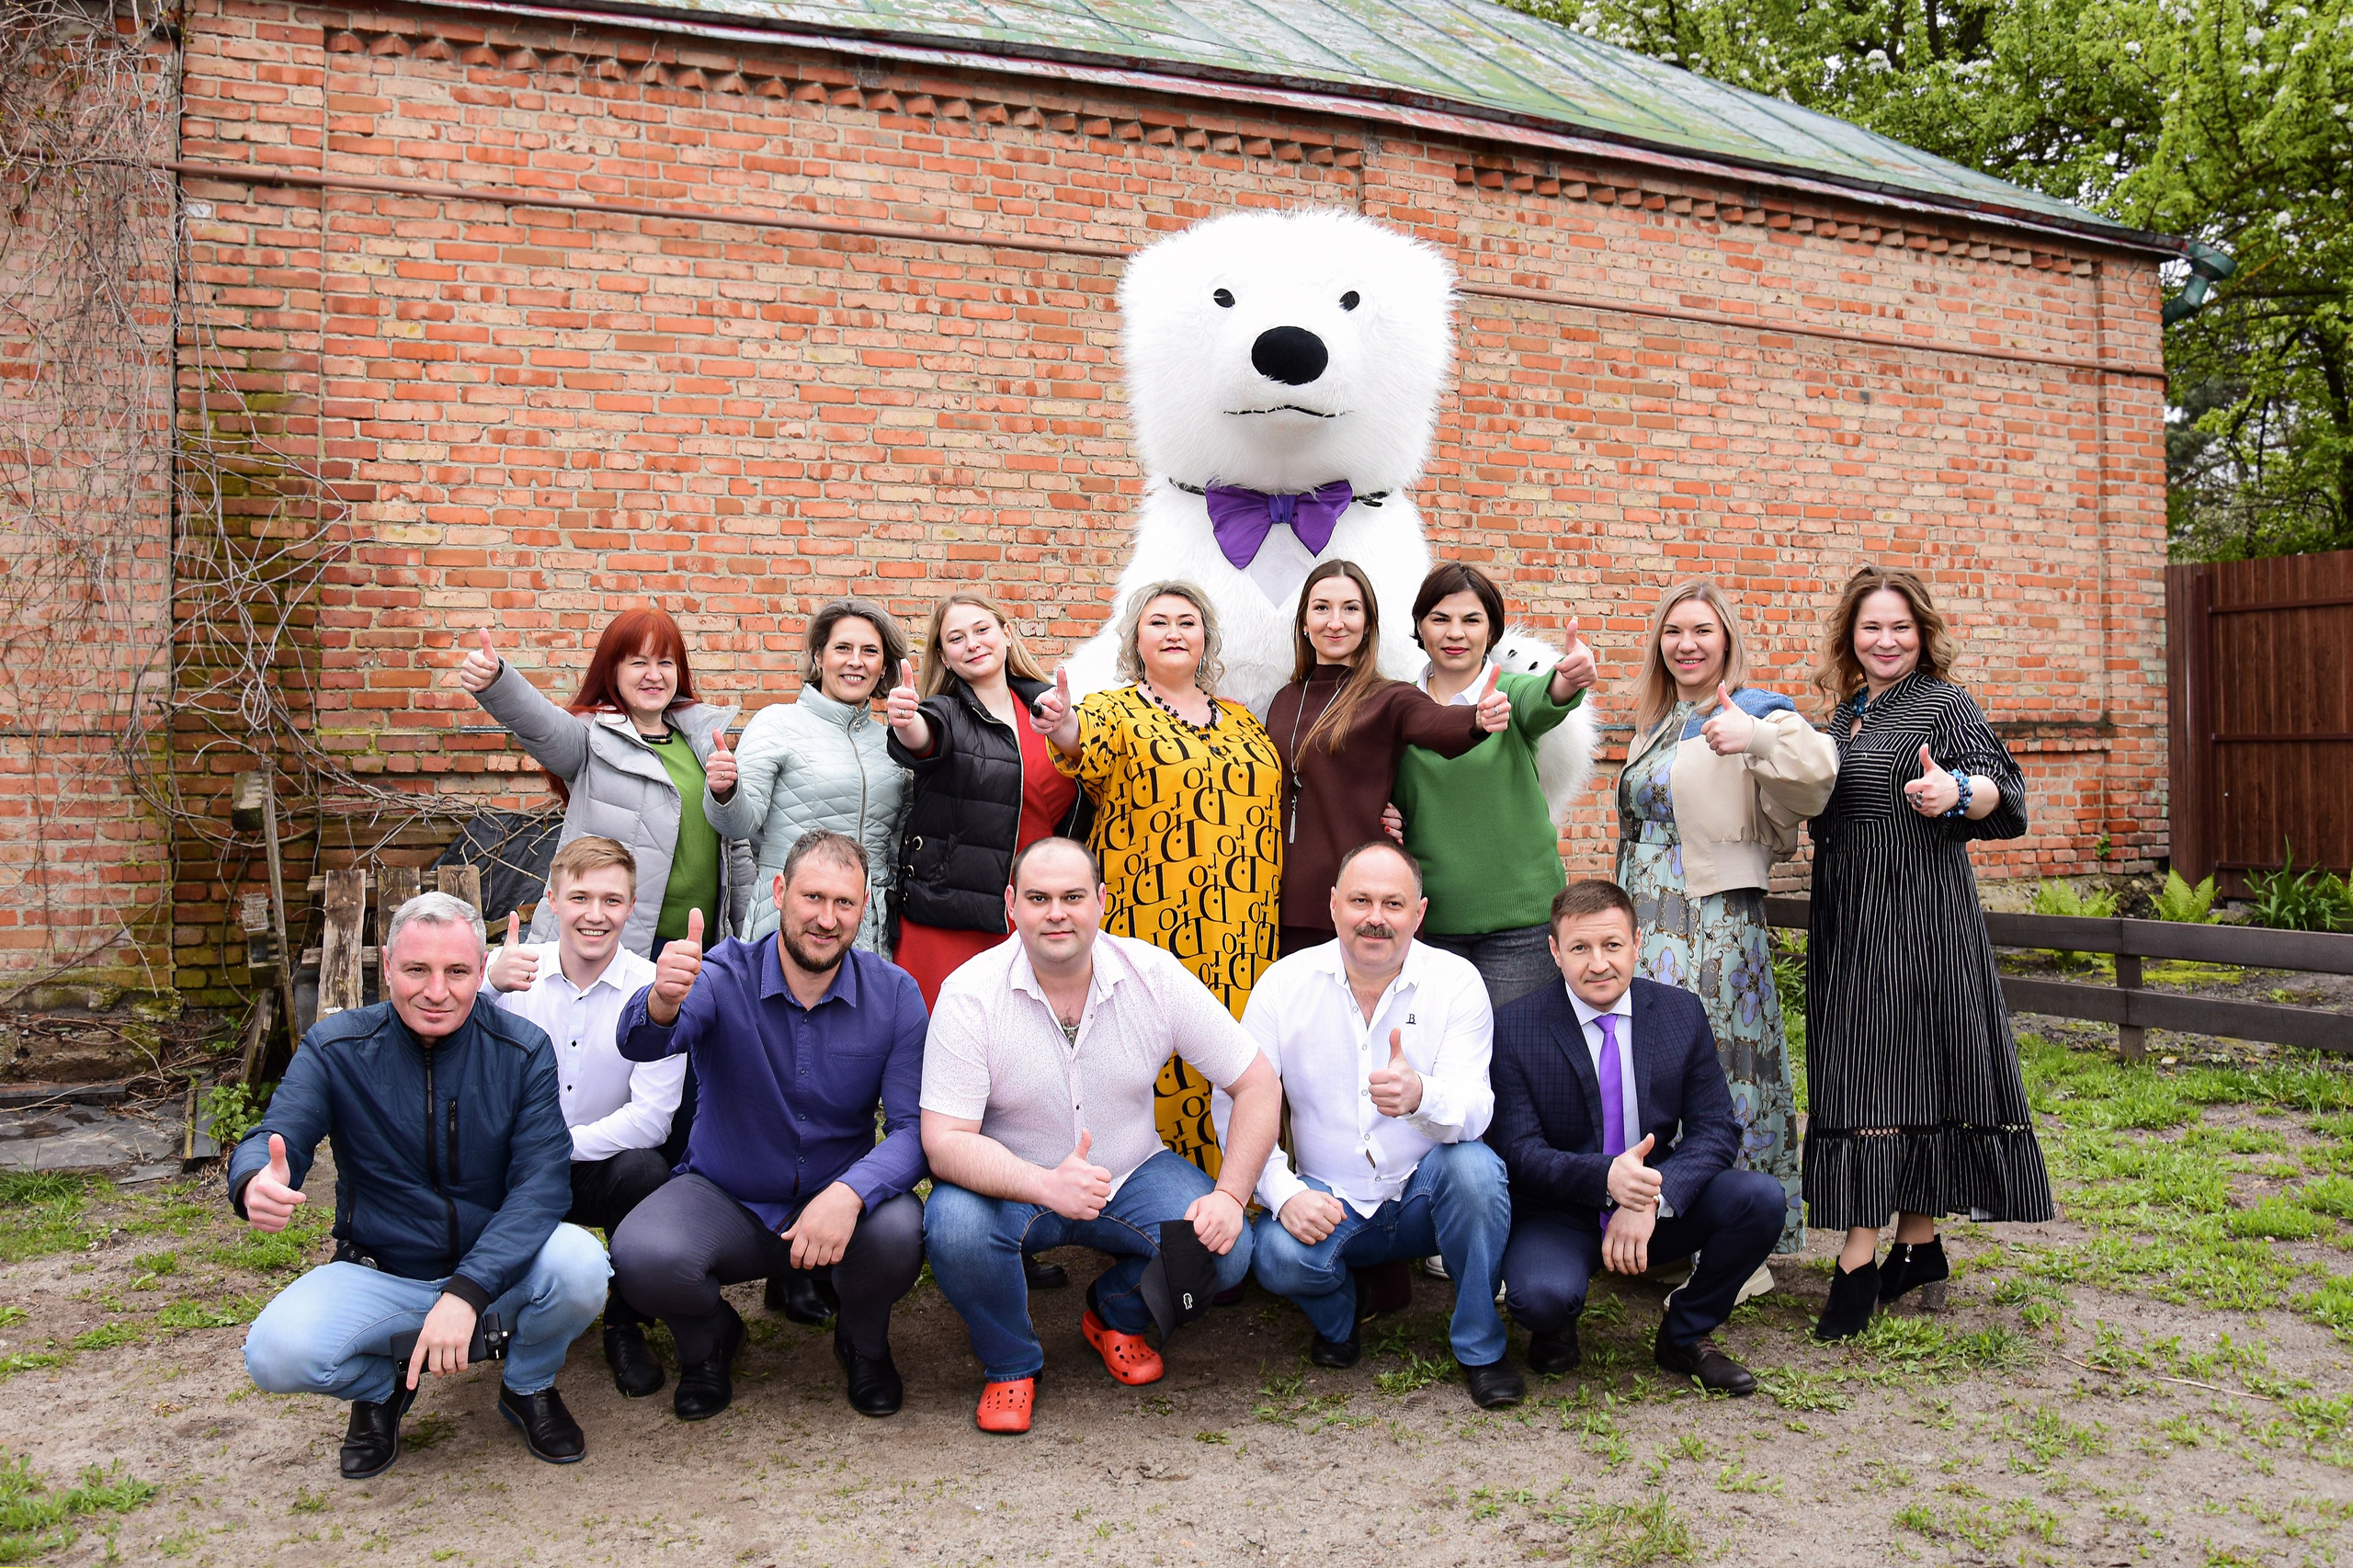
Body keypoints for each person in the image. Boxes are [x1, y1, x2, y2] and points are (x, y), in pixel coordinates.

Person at [233, 892, 606, 1479]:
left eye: (457, 971)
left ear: (481, 970)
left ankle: (527, 1384)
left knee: (581, 1264)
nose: (437, 991)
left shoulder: (523, 1050)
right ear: (387, 964)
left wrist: (467, 1292)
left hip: (494, 1272)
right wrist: (256, 1176)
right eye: (417, 970)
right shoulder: (336, 1049)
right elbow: (278, 1133)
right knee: (275, 1354)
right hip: (381, 1271)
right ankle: (383, 1389)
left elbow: (542, 1185)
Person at [919, 836, 1282, 1435]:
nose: (1056, 912)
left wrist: (1230, 1194)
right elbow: (945, 1140)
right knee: (954, 1226)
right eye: (1038, 897)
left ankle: (1116, 1311)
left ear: (1102, 902)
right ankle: (1011, 1362)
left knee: (1229, 1246)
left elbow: (1257, 1082)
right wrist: (1043, 1182)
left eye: (1072, 896)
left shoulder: (1153, 976)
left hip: (1133, 1169)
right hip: (1015, 1180)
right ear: (1011, 904)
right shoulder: (969, 993)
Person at [1803, 566, 2049, 1341]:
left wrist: (1959, 792)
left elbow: (2006, 798)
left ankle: (1857, 1258)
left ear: (1923, 634)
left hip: (1917, 918)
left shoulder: (1944, 704)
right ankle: (1918, 1246)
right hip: (1849, 918)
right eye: (1872, 628)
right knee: (1901, 1070)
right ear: (1850, 636)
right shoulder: (1845, 717)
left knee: (1883, 1070)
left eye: (1901, 628)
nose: (1886, 641)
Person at [609, 832, 928, 1419]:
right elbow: (642, 1040)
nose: (826, 919)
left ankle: (863, 1343)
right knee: (642, 1255)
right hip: (727, 1196)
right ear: (779, 892)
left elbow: (913, 1130)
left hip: (838, 1206)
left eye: (844, 904)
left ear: (865, 909)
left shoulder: (895, 994)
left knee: (900, 1233)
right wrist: (660, 1000)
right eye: (812, 897)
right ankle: (709, 1344)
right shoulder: (721, 974)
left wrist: (851, 1193)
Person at [1233, 841, 1523, 1409]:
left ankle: (1481, 1347)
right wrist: (1283, 1191)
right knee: (1274, 1255)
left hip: (1424, 1193)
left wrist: (1422, 1096)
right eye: (1361, 900)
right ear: (1334, 904)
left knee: (1476, 1173)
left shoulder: (1457, 981)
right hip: (1330, 1196)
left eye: (1393, 904)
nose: (1375, 917)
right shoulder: (1282, 984)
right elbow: (1240, 1105)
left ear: (1418, 914)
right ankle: (1341, 1319)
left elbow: (1476, 1107)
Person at [1488, 881, 1785, 1394]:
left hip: (1655, 1203)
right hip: (1561, 1207)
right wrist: (1609, 1180)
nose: (1598, 963)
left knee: (1759, 1199)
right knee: (1538, 1298)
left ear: (1637, 943)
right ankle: (1556, 1322)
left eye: (1612, 945)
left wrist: (1650, 1196)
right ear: (1555, 951)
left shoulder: (1679, 1012)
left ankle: (1685, 1335)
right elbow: (1518, 1151)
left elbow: (1716, 1128)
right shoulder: (1514, 1026)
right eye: (1580, 948)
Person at [1616, 578, 1836, 1271]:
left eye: (1702, 631)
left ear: (1727, 641)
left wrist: (1759, 737)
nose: (1686, 644)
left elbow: (1821, 776)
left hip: (1711, 919)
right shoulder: (1654, 721)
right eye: (1674, 631)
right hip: (1647, 918)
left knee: (1722, 1073)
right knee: (1654, 1071)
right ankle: (1669, 1223)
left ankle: (1740, 1249)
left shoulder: (1758, 709)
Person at [1029, 581, 1282, 1176]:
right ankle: (1153, 1216)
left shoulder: (1245, 721)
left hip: (1241, 937)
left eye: (1187, 622)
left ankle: (1235, 1200)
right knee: (1156, 1065)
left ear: (1206, 638)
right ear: (1135, 639)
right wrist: (1062, 724)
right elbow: (1077, 743)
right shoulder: (1113, 711)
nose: (1174, 632)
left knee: (1235, 1065)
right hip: (1153, 930)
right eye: (1158, 622)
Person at [482, 835, 683, 1399]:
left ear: (631, 907)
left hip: (599, 1163)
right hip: (514, 1168)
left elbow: (651, 1121)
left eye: (613, 901)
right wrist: (483, 986)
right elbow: (434, 1022)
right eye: (580, 898)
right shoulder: (511, 974)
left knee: (645, 1169)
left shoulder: (653, 989)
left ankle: (626, 1321)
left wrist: (556, 1145)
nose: (596, 915)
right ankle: (501, 1305)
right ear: (551, 899)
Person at [458, 607, 753, 953]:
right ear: (613, 670)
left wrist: (726, 792)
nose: (654, 675)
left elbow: (738, 843)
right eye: (639, 663)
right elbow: (541, 725)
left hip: (702, 944)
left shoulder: (702, 742)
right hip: (616, 945)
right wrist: (499, 682)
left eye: (666, 663)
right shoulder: (591, 739)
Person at [1262, 560, 1507, 960]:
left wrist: (1476, 719)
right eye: (1322, 608)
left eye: (1351, 609)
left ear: (1368, 623)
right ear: (1304, 622)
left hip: (1365, 905)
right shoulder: (1284, 699)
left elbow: (1435, 723)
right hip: (1287, 902)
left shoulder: (1389, 697)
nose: (1336, 622)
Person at [1391, 562, 1597, 1009]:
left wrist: (1567, 679)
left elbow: (1544, 698)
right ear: (1420, 626)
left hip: (1520, 928)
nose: (1455, 633)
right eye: (1440, 619)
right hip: (1433, 922)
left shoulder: (1511, 693)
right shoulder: (1397, 706)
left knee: (1514, 1062)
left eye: (1471, 620)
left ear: (1492, 630)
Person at [884, 592, 1086, 1008]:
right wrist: (906, 722)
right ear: (943, 656)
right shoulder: (945, 712)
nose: (972, 643)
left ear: (1007, 635)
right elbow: (924, 739)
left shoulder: (1048, 710)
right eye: (956, 638)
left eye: (981, 630)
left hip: (1032, 917)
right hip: (949, 921)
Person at [706, 597, 913, 956]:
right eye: (843, 648)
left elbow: (900, 846)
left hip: (868, 926)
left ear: (883, 667)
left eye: (869, 651)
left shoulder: (893, 743)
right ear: (819, 656)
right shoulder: (777, 723)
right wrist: (725, 792)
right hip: (787, 918)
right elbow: (738, 825)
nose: (855, 661)